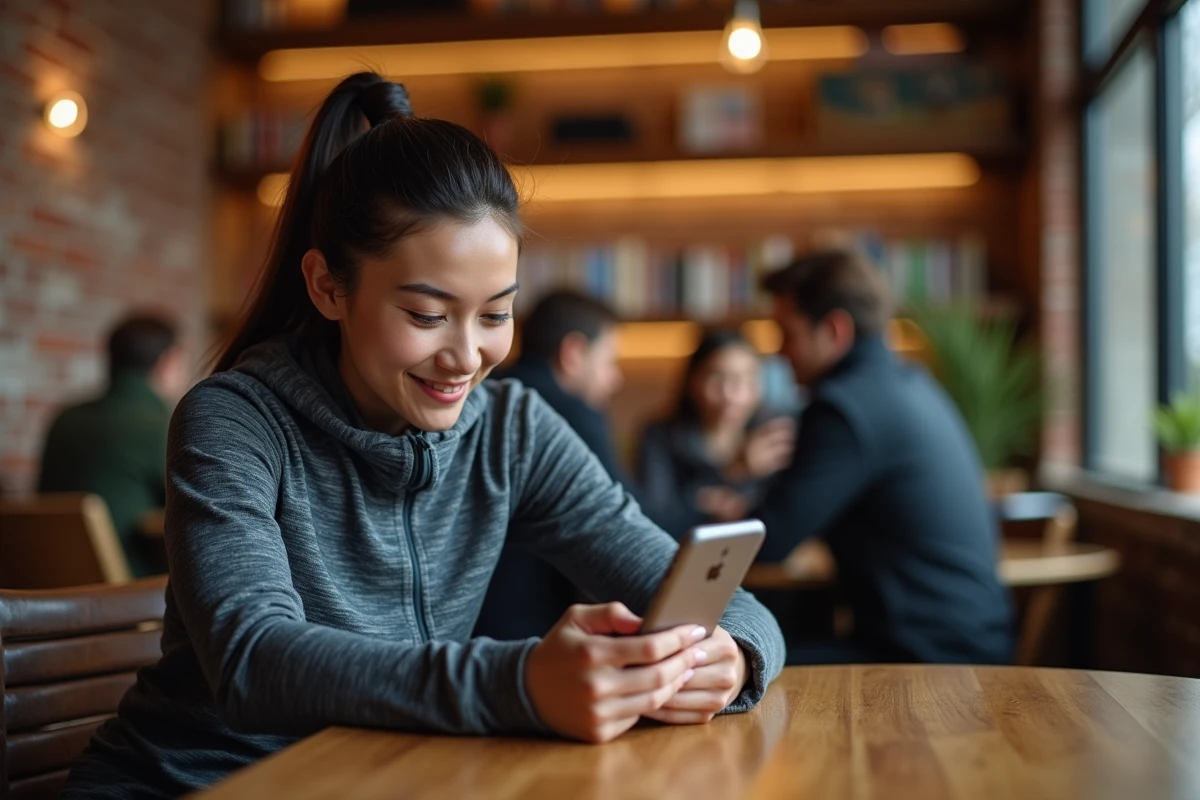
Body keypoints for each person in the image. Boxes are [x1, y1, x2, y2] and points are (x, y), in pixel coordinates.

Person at [63, 72, 784, 799]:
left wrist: (735, 654)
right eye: (428, 315)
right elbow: (254, 661)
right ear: (328, 287)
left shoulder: (513, 431)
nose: (467, 356)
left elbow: (726, 597)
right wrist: (522, 683)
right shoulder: (234, 420)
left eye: (496, 314)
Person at [699, 249, 1012, 666]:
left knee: (723, 665)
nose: (779, 353)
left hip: (924, 660)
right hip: (973, 642)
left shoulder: (843, 409)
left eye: (787, 334)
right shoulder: (911, 385)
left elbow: (770, 541)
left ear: (834, 330)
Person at [472, 290, 646, 641]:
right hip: (531, 636)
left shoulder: (479, 397)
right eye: (609, 362)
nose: (615, 379)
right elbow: (633, 524)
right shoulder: (570, 415)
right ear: (574, 353)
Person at [38, 314, 185, 577]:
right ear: (167, 363)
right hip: (127, 595)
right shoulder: (162, 424)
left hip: (51, 588)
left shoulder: (64, 419)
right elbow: (195, 504)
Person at [636, 328, 794, 539]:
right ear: (692, 381)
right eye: (717, 378)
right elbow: (656, 514)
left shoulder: (774, 432)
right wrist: (735, 473)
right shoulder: (660, 435)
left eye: (746, 379)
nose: (731, 394)